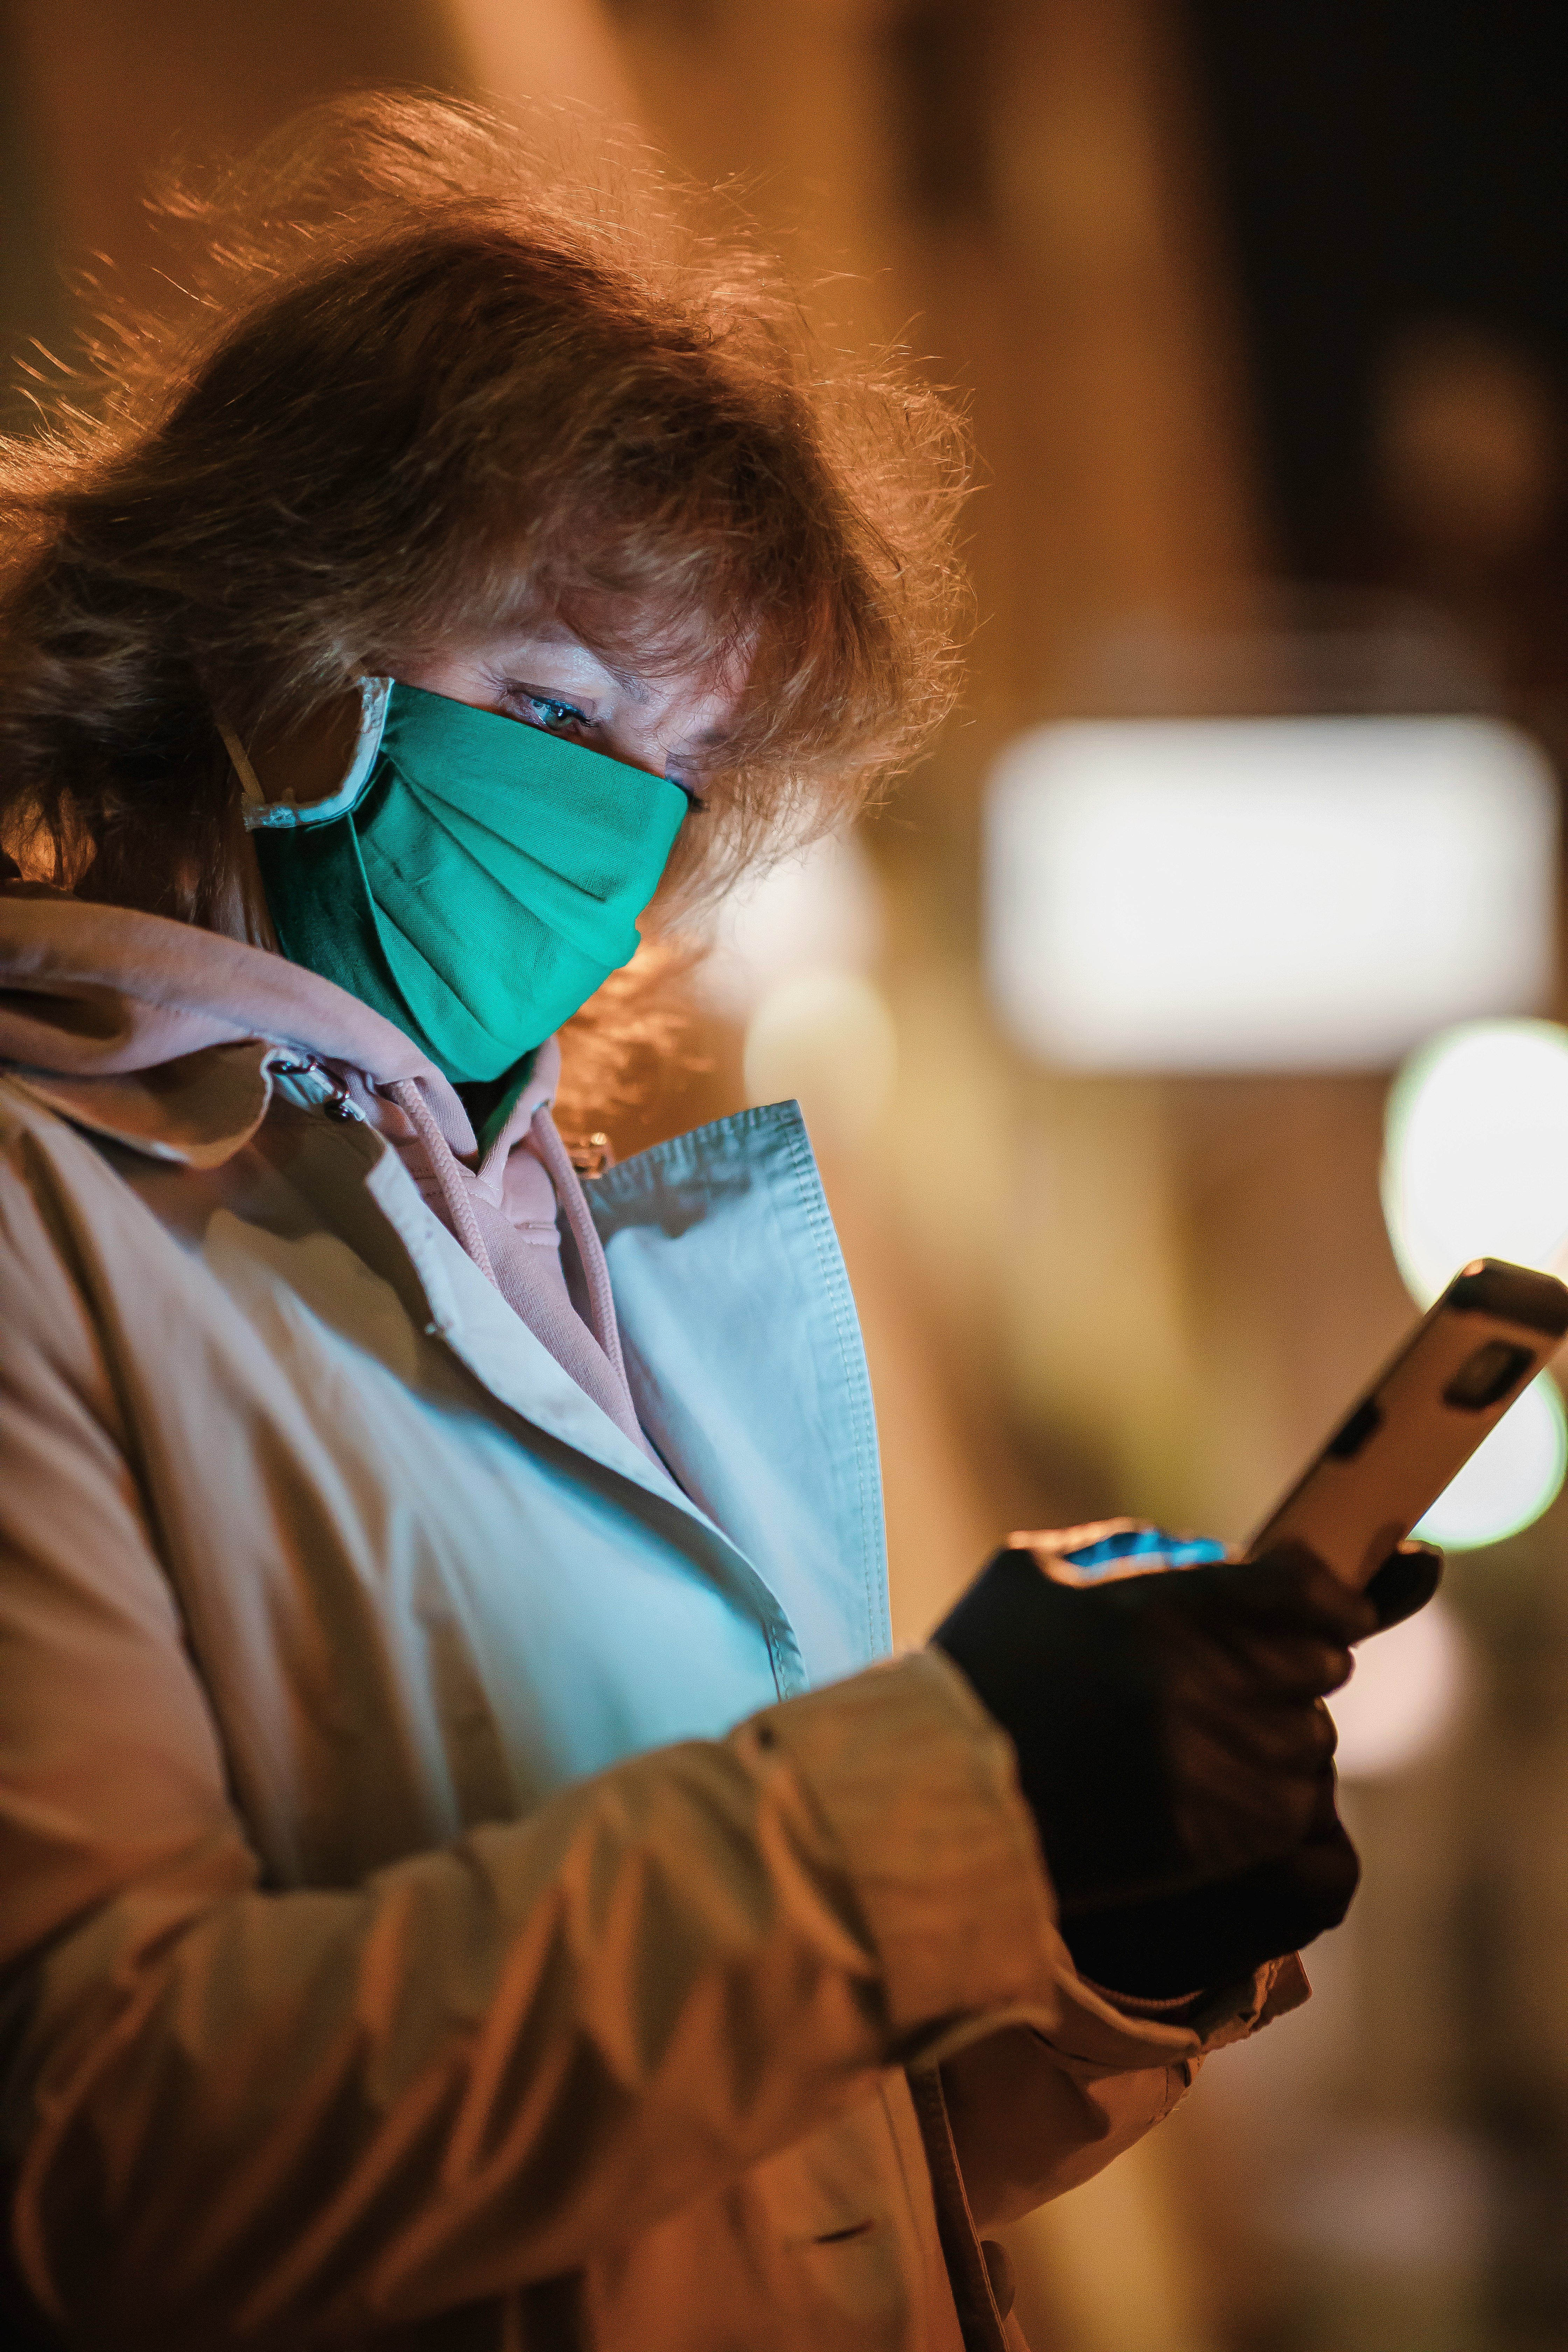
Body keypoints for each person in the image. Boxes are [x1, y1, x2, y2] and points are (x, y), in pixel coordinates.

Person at [0, 96, 1437, 2352]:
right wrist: (947, 1791)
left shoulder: (587, 1269)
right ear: (263, 629)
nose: (610, 834)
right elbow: (107, 2155)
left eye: (681, 773)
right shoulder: (42, 1235)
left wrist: (1106, 1923)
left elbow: (750, 2146)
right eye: (553, 705)